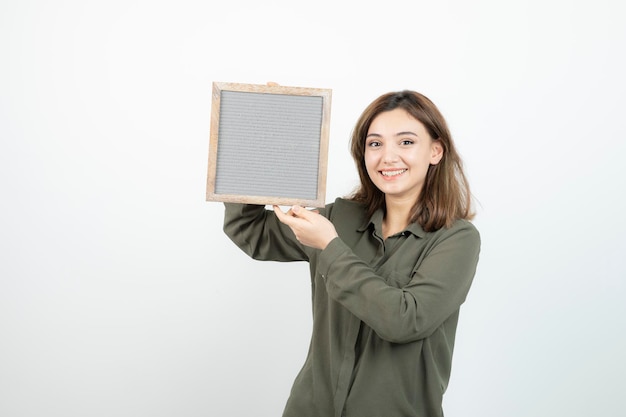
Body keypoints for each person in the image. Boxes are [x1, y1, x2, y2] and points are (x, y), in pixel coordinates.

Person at [222, 89, 481, 417]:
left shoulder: (457, 240)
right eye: (375, 143)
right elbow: (252, 232)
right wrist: (259, 128)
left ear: (435, 150)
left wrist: (331, 248)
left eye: (405, 142)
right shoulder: (337, 219)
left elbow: (405, 320)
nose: (388, 157)